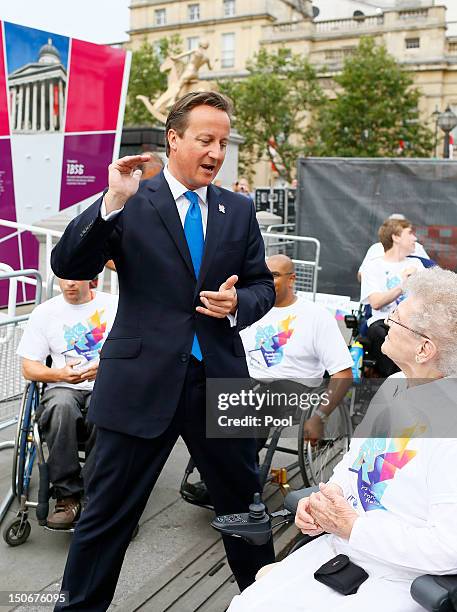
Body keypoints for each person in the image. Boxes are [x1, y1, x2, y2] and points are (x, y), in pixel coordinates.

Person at [50, 91, 275, 611]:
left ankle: (267, 600)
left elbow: (264, 285)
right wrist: (110, 203)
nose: (216, 152)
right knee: (106, 517)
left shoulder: (238, 209)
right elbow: (69, 263)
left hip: (218, 380)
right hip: (139, 383)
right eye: (205, 140)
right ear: (174, 139)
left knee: (245, 512)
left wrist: (238, 300)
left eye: (222, 142)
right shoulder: (134, 201)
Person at [228, 266, 457, 612]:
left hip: (396, 577)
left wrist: (353, 528)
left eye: (398, 316)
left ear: (425, 348)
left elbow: (448, 548)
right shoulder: (394, 386)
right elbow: (351, 469)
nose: (388, 321)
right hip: (341, 550)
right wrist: (321, 503)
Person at [16, 279, 118, 529]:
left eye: (77, 276)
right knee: (60, 407)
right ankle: (67, 495)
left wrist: (107, 368)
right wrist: (60, 374)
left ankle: (98, 496)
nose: (70, 283)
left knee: (103, 409)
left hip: (105, 386)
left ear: (92, 277)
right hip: (62, 386)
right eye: (64, 276)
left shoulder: (114, 306)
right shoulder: (45, 313)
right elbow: (29, 367)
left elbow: (136, 353)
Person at [240, 254, 353, 444]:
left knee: (253, 404)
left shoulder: (316, 316)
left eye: (274, 275)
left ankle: (240, 462)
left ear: (291, 279)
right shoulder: (250, 308)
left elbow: (343, 373)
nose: (266, 282)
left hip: (294, 390)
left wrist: (319, 416)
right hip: (251, 383)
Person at [360, 217, 424, 377]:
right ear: (395, 237)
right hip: (383, 322)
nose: (415, 238)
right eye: (409, 233)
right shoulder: (373, 266)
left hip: (413, 323)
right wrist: (403, 285)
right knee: (381, 332)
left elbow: (430, 298)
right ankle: (395, 382)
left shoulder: (417, 265)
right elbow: (375, 303)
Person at [357, 213, 429, 281]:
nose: (414, 238)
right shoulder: (375, 250)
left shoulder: (416, 256)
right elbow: (361, 274)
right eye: (394, 225)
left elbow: (430, 271)